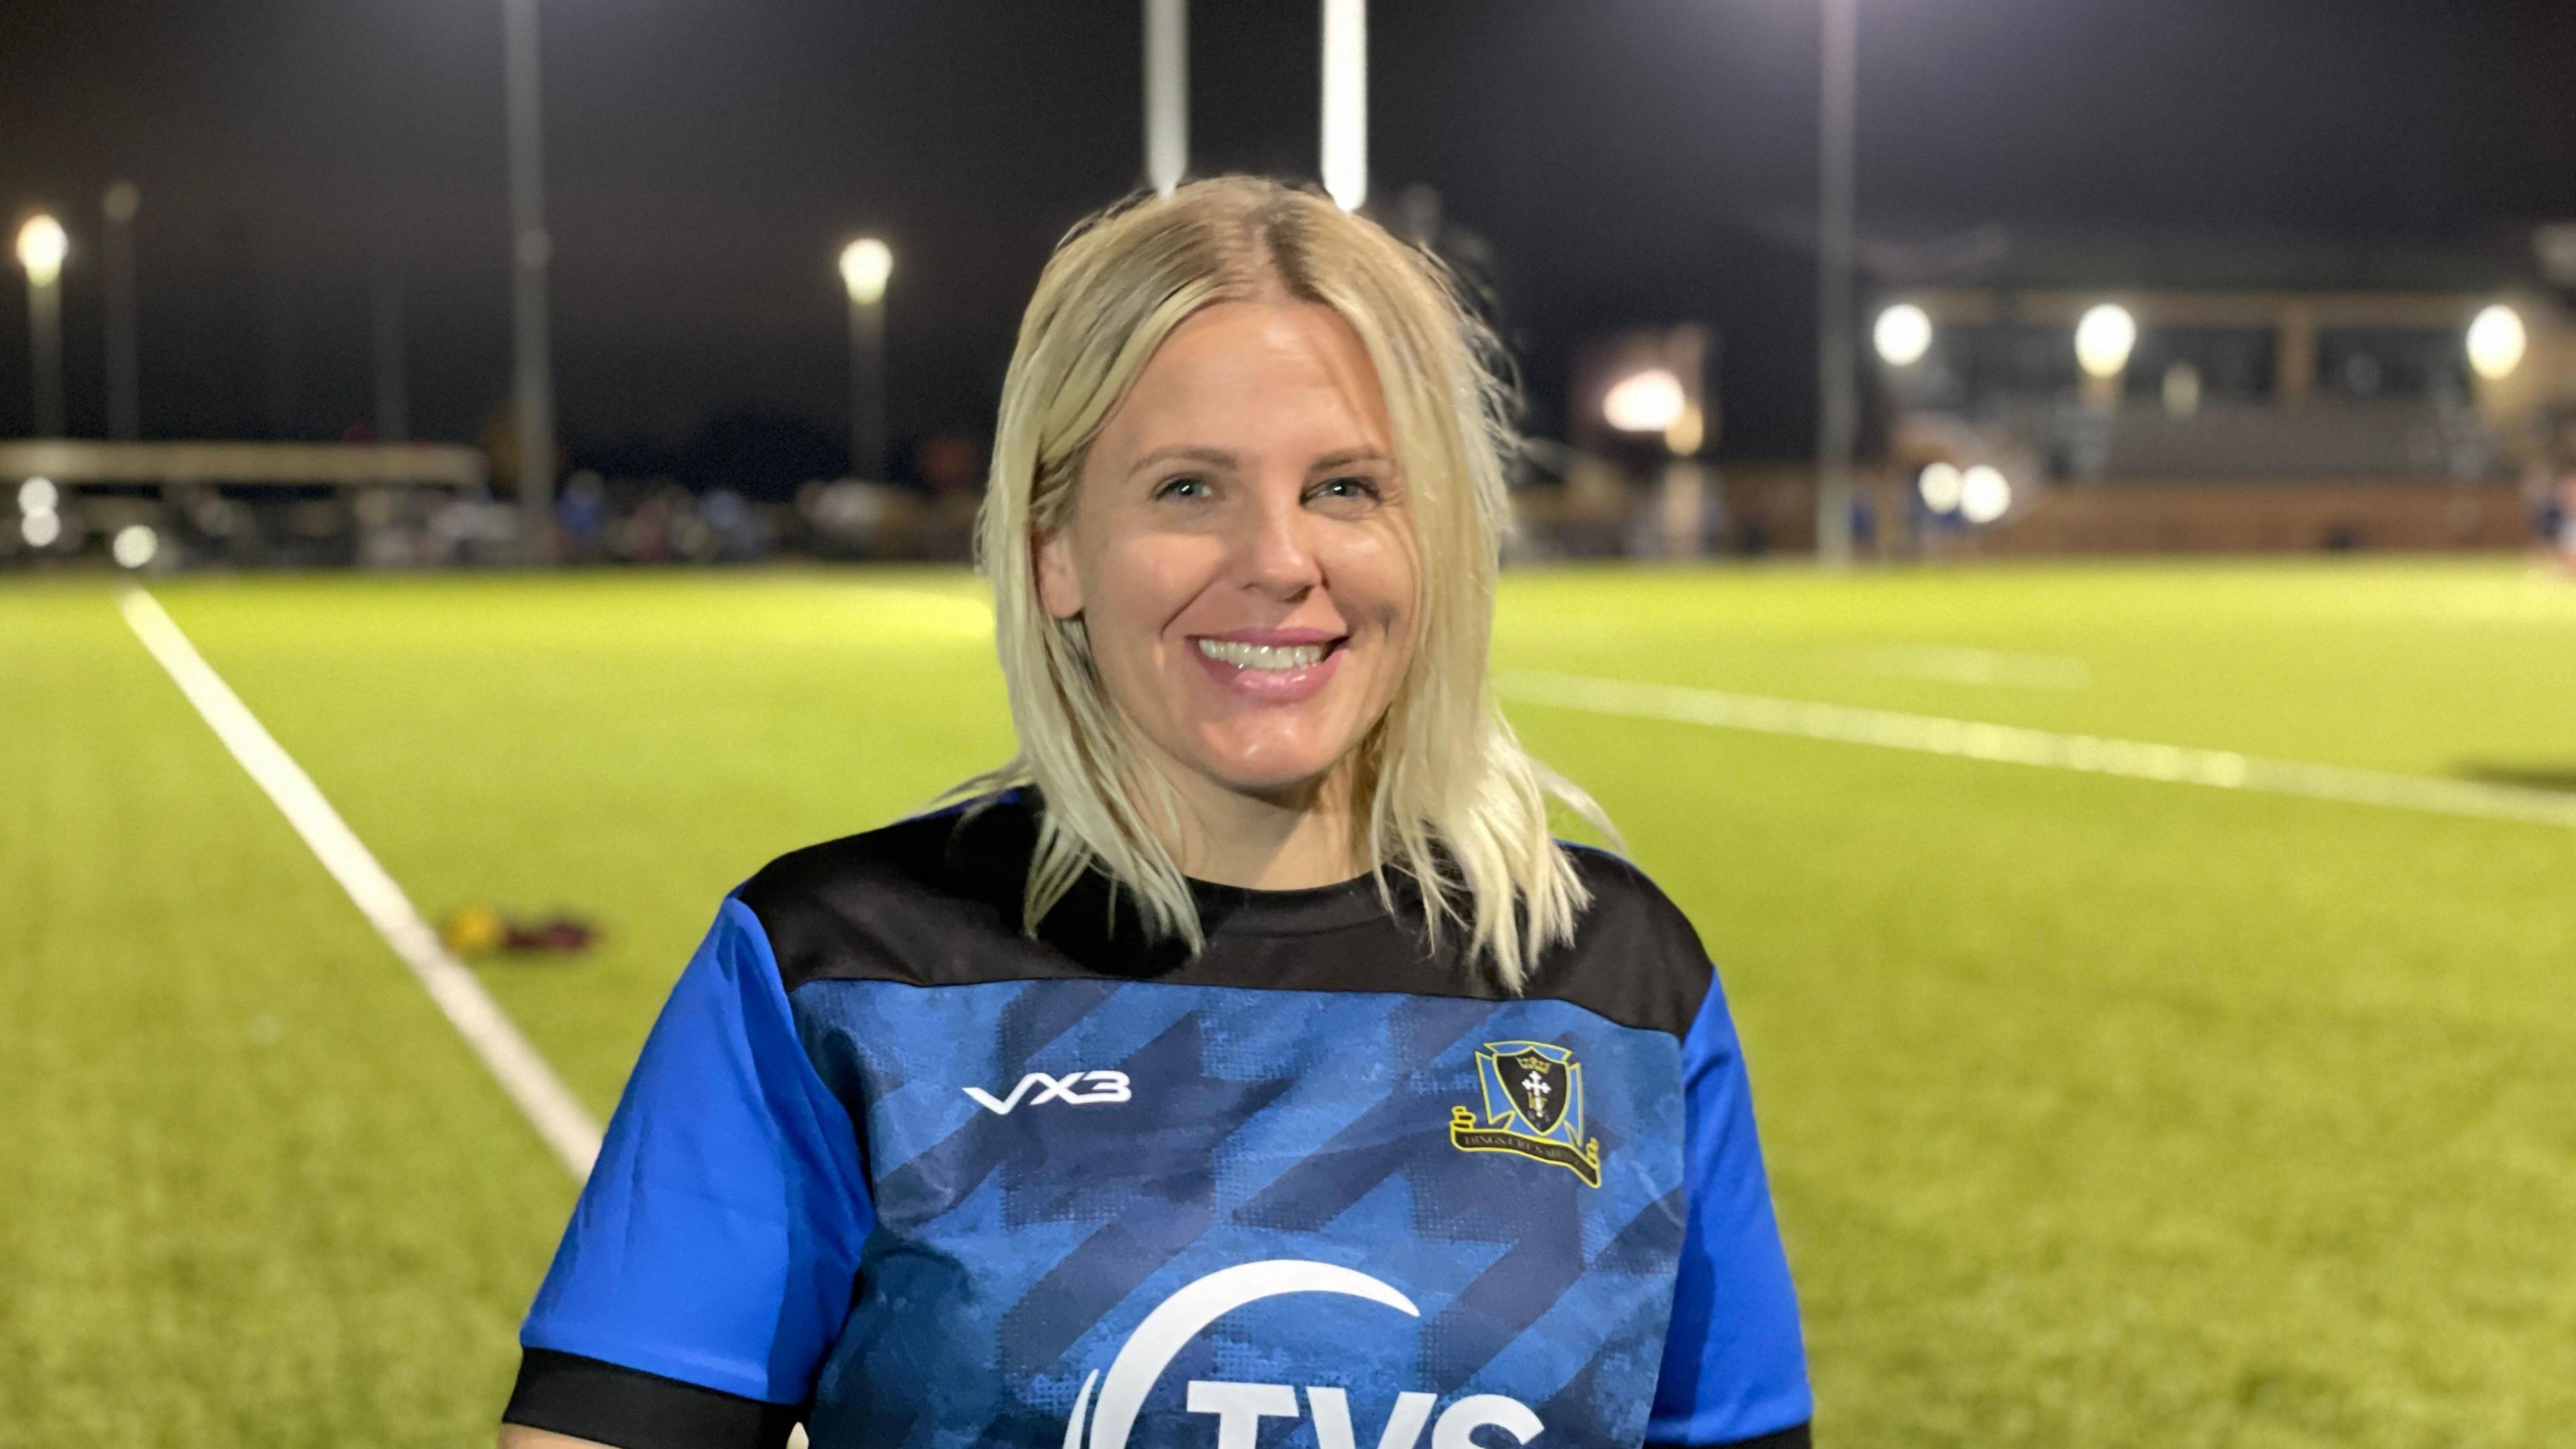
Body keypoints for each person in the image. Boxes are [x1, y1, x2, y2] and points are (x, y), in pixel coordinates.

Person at [498, 176, 1811, 1449]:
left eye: (1347, 487)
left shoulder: (1617, 980)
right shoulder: (843, 972)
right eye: (1189, 489)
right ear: (1052, 547)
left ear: (1441, 537)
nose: (1279, 562)